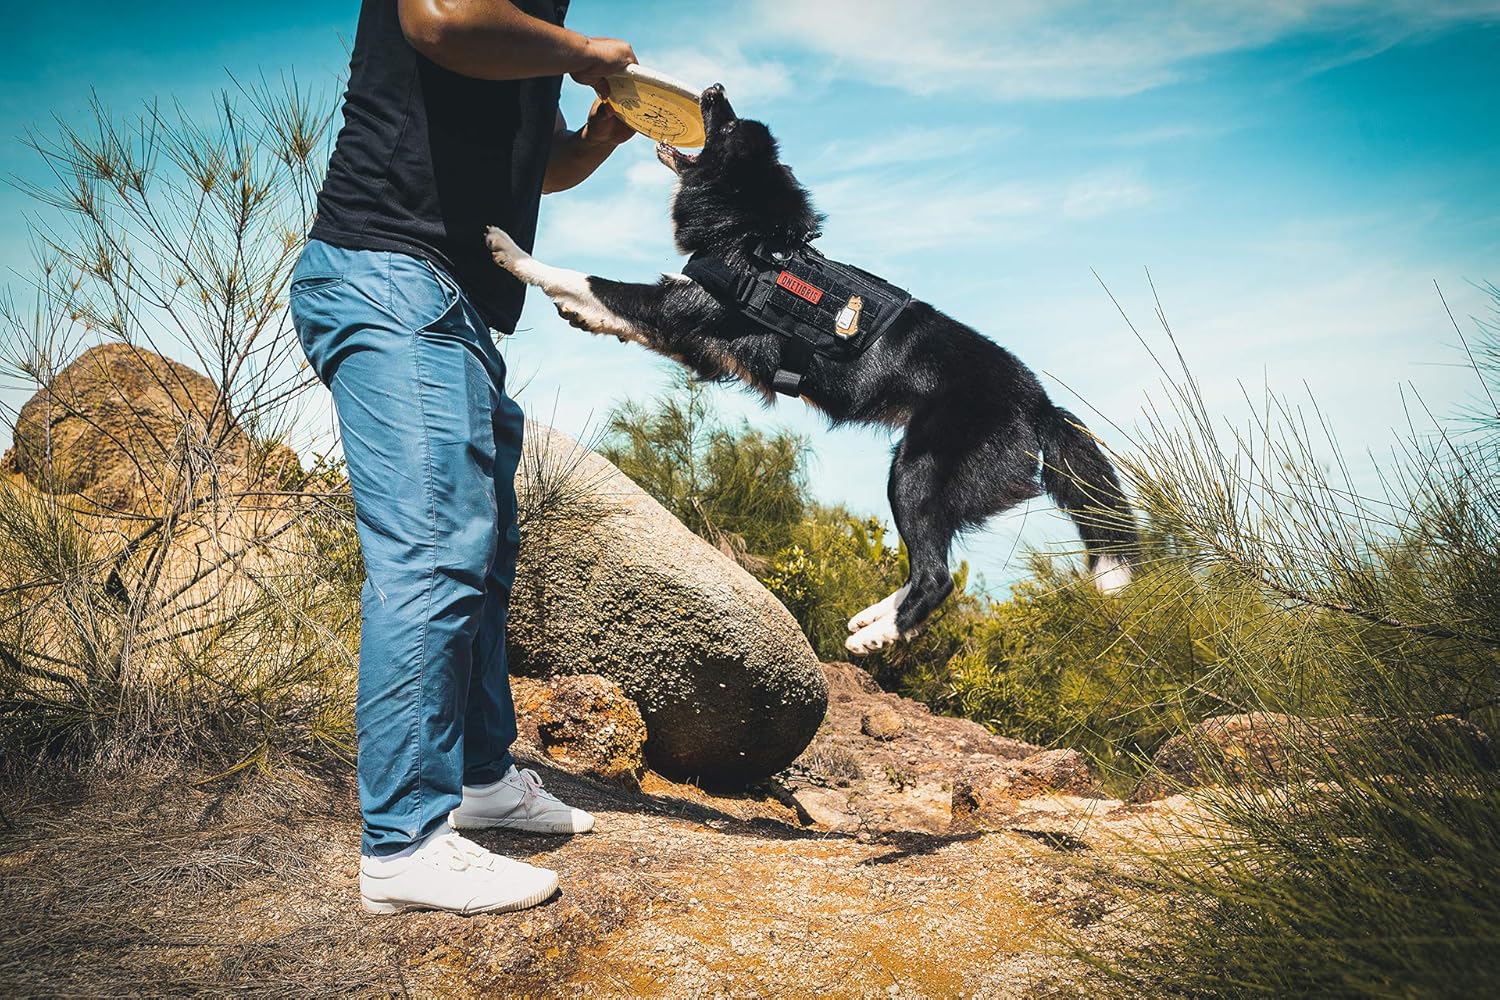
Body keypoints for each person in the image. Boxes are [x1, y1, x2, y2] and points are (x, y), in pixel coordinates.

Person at [289, 0, 636, 915]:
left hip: (454, 305)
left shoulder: (532, 22)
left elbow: (537, 164)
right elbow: (439, 19)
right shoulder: (511, 19)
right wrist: (578, 52)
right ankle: (402, 843)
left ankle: (480, 778)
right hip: (385, 272)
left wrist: (602, 133)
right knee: (437, 547)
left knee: (482, 552)